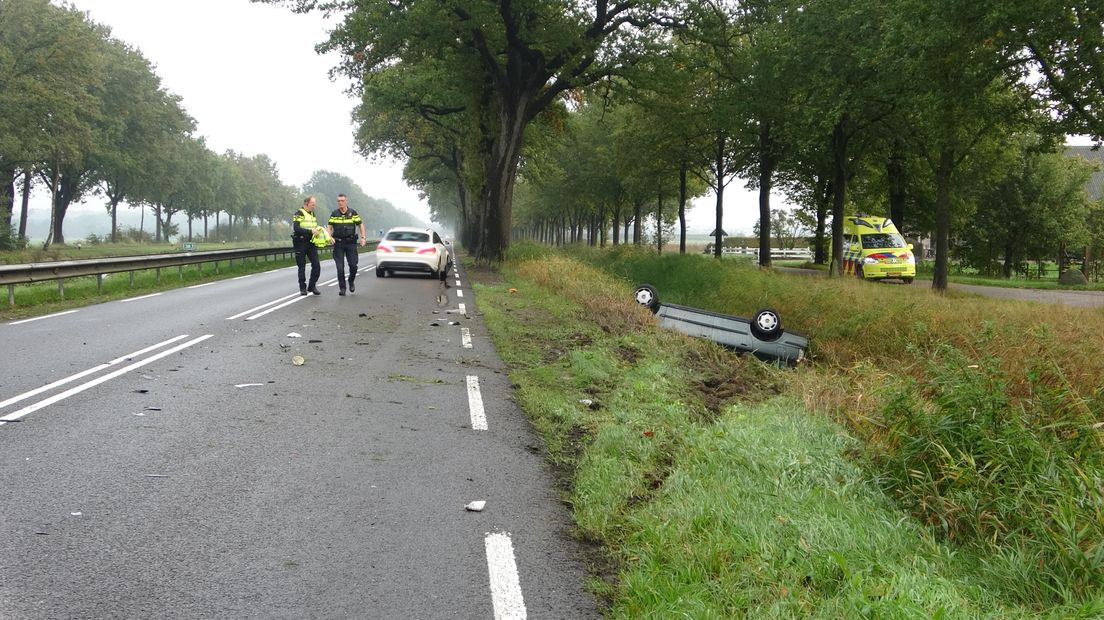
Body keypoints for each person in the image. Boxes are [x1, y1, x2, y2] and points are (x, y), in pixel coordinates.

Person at [327, 193, 367, 295]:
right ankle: (342, 288)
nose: (340, 203)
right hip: (338, 243)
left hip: (351, 243)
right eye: (338, 201)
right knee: (340, 267)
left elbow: (360, 225)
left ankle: (351, 281)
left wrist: (363, 238)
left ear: (346, 201)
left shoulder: (353, 213)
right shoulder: (334, 214)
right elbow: (329, 227)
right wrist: (329, 236)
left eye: (342, 201)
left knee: (353, 266)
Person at [291, 196, 328, 295]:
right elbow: (296, 228)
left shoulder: (312, 214)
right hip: (300, 242)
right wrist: (310, 231)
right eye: (312, 204)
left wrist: (323, 233)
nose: (314, 206)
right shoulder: (299, 213)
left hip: (311, 242)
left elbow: (314, 227)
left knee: (316, 265)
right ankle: (302, 288)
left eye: (314, 204)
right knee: (302, 266)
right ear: (307, 203)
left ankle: (312, 286)